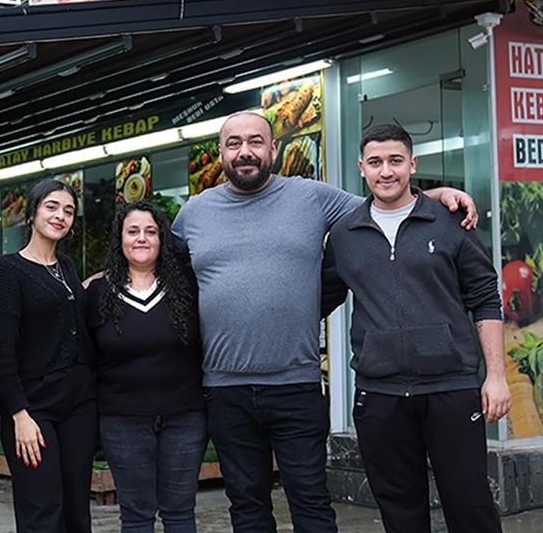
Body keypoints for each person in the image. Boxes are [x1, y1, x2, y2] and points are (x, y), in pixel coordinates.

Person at [170, 111, 478, 533]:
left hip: (296, 386)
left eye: (256, 141)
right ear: (221, 152)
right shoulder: (194, 213)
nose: (245, 152)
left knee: (311, 503)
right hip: (224, 389)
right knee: (245, 504)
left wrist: (437, 194)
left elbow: (386, 203)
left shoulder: (312, 197)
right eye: (234, 143)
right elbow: (155, 267)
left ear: (273, 148)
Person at [321, 123, 510, 533]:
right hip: (380, 394)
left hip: (451, 389)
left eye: (395, 160)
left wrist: (496, 376)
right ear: (361, 168)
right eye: (375, 162)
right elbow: (322, 297)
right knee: (400, 512)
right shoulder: (344, 234)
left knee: (471, 505)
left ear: (413, 164)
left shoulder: (449, 221)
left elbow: (484, 297)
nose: (386, 171)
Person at [0, 179, 96, 533]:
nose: (60, 216)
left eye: (69, 211)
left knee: (77, 508)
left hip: (79, 404)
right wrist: (18, 414)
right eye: (52, 207)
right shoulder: (7, 270)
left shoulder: (67, 267)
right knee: (42, 509)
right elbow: (0, 350)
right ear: (32, 213)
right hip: (33, 407)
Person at [88, 200, 205, 533]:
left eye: (151, 231)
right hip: (122, 421)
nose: (142, 238)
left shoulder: (189, 287)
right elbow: (87, 359)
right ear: (120, 239)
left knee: (180, 513)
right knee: (137, 516)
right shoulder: (97, 293)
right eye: (133, 231)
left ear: (162, 239)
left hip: (185, 418)